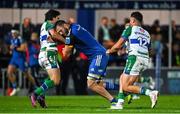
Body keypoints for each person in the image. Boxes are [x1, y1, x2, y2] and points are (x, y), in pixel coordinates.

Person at [55, 20, 117, 108]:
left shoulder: (71, 35)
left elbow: (66, 54)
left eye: (60, 30)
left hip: (98, 55)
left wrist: (63, 49)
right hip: (99, 54)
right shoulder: (75, 26)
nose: (61, 33)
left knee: (91, 84)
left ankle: (115, 102)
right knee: (99, 84)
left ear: (65, 25)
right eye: (59, 33)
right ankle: (123, 89)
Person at [107, 11, 159, 109]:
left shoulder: (130, 29)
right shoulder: (147, 33)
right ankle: (120, 103)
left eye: (130, 21)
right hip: (145, 60)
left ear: (133, 20)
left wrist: (110, 51)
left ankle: (151, 93)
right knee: (123, 79)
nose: (129, 23)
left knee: (126, 86)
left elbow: (118, 45)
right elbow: (149, 50)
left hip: (134, 58)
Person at [30, 9, 65, 108]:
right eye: (57, 18)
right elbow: (54, 34)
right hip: (49, 53)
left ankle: (41, 97)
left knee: (51, 78)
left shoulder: (43, 26)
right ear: (52, 18)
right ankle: (35, 94)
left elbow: (52, 37)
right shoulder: (49, 24)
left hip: (43, 54)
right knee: (56, 80)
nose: (58, 20)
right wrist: (67, 41)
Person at [7, 29, 36, 96]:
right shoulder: (12, 40)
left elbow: (24, 49)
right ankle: (15, 87)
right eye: (12, 33)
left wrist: (15, 48)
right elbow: (12, 49)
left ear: (17, 33)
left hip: (20, 59)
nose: (12, 34)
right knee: (9, 72)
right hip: (14, 59)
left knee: (26, 74)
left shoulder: (21, 39)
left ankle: (35, 86)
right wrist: (11, 50)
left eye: (13, 33)